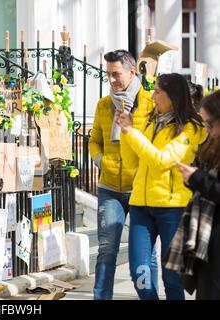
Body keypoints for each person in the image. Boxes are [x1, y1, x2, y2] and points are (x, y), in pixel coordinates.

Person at [116, 73, 208, 300]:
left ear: (173, 96)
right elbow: (131, 162)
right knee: (139, 272)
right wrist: (126, 132)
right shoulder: (151, 121)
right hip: (140, 205)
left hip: (172, 208)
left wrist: (132, 133)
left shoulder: (191, 129)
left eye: (158, 91)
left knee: (171, 277)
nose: (153, 96)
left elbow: (161, 160)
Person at [89, 49, 156, 300]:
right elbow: (94, 140)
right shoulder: (104, 105)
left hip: (141, 188)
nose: (112, 80)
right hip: (109, 188)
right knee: (106, 250)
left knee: (146, 255)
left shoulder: (150, 104)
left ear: (132, 71)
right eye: (108, 75)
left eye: (116, 74)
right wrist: (101, 161)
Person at [164, 90, 220, 300]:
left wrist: (197, 178)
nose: (208, 130)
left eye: (210, 124)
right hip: (206, 242)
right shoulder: (213, 145)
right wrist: (192, 180)